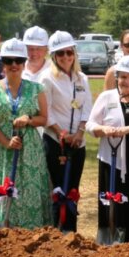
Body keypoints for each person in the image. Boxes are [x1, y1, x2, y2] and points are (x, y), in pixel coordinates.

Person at [0, 39, 51, 228]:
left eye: (18, 60)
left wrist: (28, 119)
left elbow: (44, 118)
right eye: (9, 61)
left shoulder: (36, 89)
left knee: (28, 194)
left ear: (24, 62)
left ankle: (31, 234)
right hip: (1, 151)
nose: (14, 65)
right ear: (2, 62)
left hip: (29, 152)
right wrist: (6, 142)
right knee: (0, 190)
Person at [87, 54, 129, 241]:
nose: (126, 81)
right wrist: (103, 129)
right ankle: (111, 238)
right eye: (123, 77)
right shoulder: (106, 97)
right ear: (117, 77)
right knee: (113, 201)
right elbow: (90, 125)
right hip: (112, 160)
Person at [39, 31, 93, 233]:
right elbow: (46, 111)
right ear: (53, 56)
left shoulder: (82, 79)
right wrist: (62, 133)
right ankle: (55, 233)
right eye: (60, 53)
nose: (65, 57)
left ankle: (71, 233)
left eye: (69, 52)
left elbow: (87, 108)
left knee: (72, 190)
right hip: (55, 141)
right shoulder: (47, 79)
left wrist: (79, 133)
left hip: (78, 143)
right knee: (57, 190)